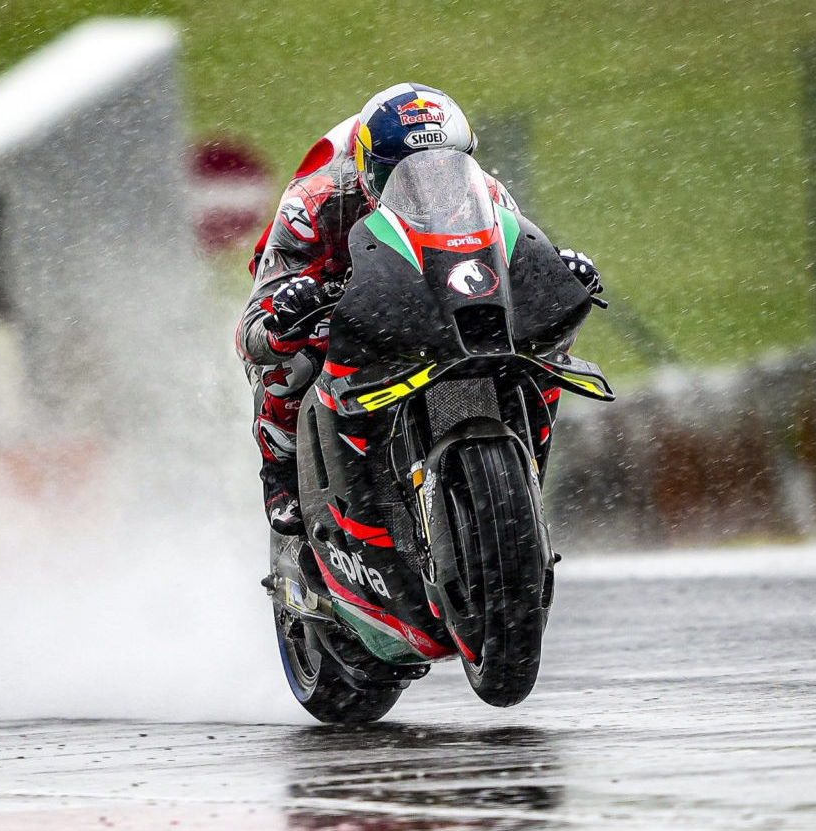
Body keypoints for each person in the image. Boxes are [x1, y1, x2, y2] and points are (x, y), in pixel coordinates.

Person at [236, 83, 603, 534]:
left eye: (446, 171)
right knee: (292, 354)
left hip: (437, 297)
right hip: (346, 297)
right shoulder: (313, 205)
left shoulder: (489, 196)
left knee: (533, 338)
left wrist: (561, 278)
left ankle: (525, 463)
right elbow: (252, 331)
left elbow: (522, 277)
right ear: (365, 170)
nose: (427, 186)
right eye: (400, 176)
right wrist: (287, 315)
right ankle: (282, 475)